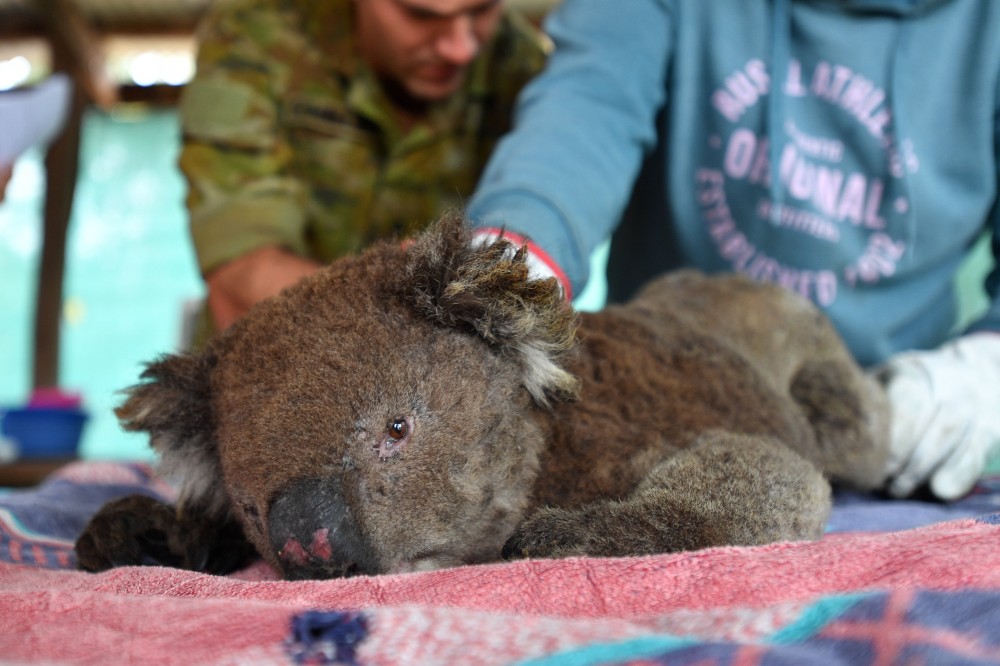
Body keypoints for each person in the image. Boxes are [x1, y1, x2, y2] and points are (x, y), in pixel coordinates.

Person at [468, 0, 1000, 501]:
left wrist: (983, 369)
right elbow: (584, 108)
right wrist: (512, 260)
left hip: (892, 438)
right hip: (664, 415)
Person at [179, 0, 548, 334]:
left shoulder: (520, 66)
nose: (461, 48)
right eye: (420, 15)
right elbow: (240, 280)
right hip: (266, 367)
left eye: (481, 10)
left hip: (439, 383)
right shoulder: (254, 37)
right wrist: (395, 298)